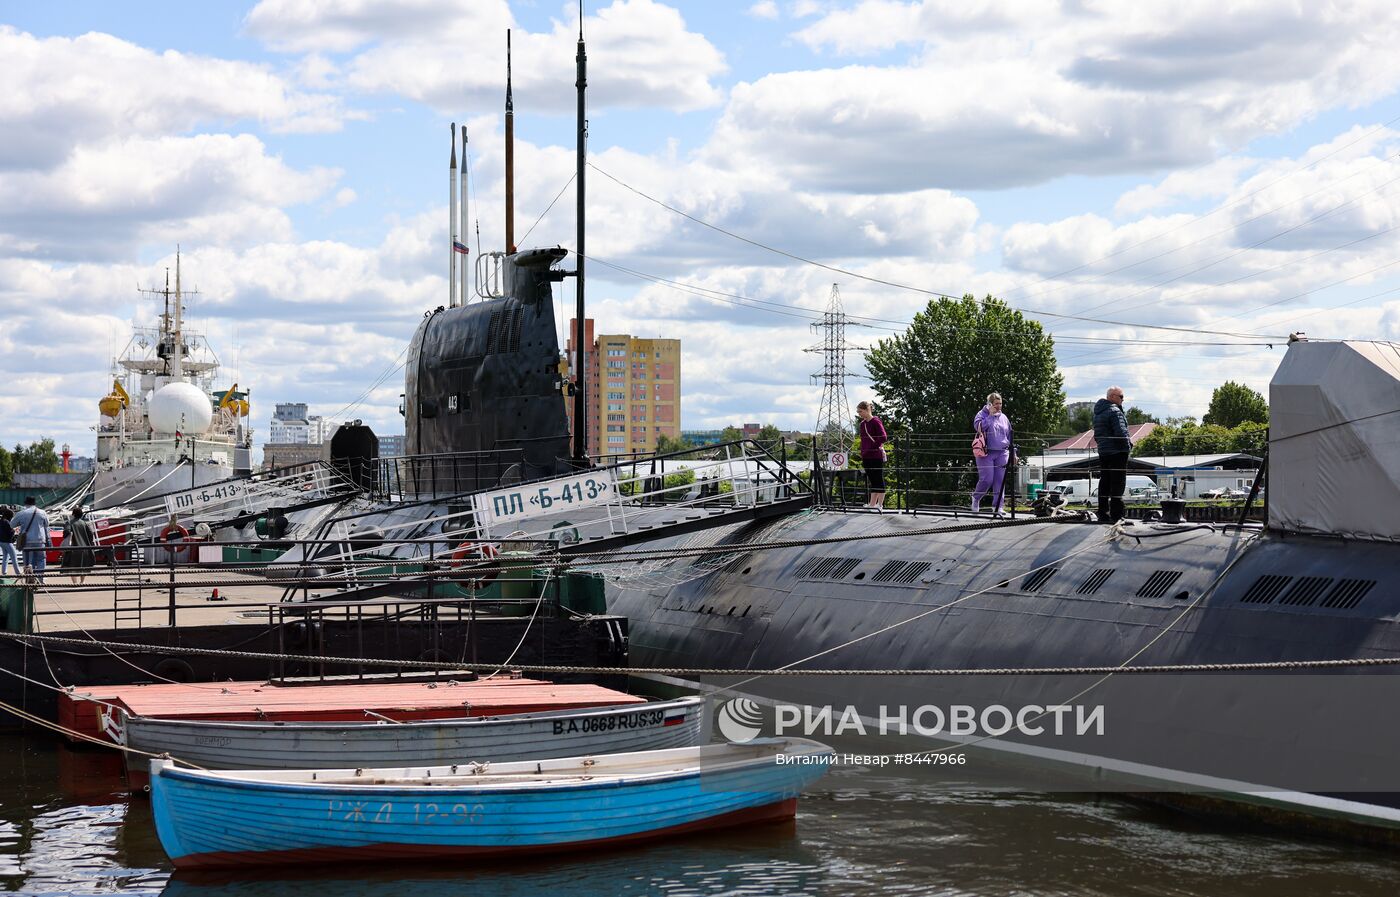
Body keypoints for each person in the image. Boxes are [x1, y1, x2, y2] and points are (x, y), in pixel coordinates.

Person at [1093, 386, 1131, 523]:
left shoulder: (1098, 413)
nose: (1123, 399)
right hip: (1117, 451)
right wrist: (1127, 447)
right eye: (1121, 397)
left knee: (1105, 481)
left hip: (1104, 451)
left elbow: (1097, 434)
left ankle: (1103, 512)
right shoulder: (1115, 411)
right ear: (1113, 397)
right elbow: (1120, 433)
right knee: (1118, 483)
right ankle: (1116, 515)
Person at [971, 392, 1014, 516]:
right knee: (987, 479)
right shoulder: (981, 414)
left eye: (1000, 404)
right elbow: (978, 428)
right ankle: (976, 498)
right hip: (986, 453)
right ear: (989, 404)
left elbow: (1010, 435)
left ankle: (998, 506)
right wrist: (990, 415)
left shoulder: (1004, 417)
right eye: (996, 404)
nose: (999, 406)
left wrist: (1013, 453)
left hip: (1002, 452)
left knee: (999, 481)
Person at [856, 401, 889, 509]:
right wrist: (863, 451)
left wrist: (873, 446)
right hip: (866, 455)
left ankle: (880, 505)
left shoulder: (875, 421)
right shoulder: (862, 424)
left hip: (875, 455)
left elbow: (883, 437)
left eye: (860, 411)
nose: (859, 413)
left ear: (866, 410)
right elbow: (863, 440)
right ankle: (872, 504)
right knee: (872, 479)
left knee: (878, 478)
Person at [12, 496, 51, 577]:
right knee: (41, 559)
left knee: (27, 562)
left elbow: (12, 524)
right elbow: (46, 526)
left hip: (26, 541)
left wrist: (21, 524)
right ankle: (39, 579)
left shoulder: (21, 513)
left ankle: (29, 580)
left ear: (25, 503)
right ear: (35, 503)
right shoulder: (42, 512)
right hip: (40, 540)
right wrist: (49, 541)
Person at [61, 506, 99, 585]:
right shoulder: (84, 523)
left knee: (72, 566)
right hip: (85, 548)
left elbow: (66, 532)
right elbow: (91, 534)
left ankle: (75, 583)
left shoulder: (69, 523)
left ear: (73, 514)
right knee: (84, 566)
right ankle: (82, 581)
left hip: (73, 548)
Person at [0, 507, 17, 577]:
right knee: (14, 557)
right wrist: (14, 530)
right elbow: (10, 532)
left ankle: (4, 572)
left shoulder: (1, 521)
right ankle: (18, 572)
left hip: (1, 541)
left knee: (5, 557)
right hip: (7, 542)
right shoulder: (7, 522)